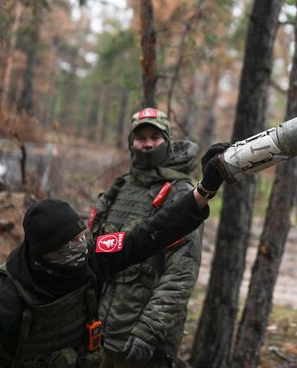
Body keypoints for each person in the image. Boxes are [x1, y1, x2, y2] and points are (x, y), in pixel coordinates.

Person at [0, 143, 228, 368]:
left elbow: (150, 233)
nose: (82, 247)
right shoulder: (3, 299)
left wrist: (205, 189)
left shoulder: (92, 257)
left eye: (82, 236)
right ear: (44, 254)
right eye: (71, 244)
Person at [91, 108, 225, 368]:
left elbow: (181, 274)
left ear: (168, 141)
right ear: (131, 143)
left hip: (143, 342)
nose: (148, 144)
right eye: (141, 138)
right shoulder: (119, 188)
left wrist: (149, 330)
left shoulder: (182, 195)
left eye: (156, 136)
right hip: (102, 334)